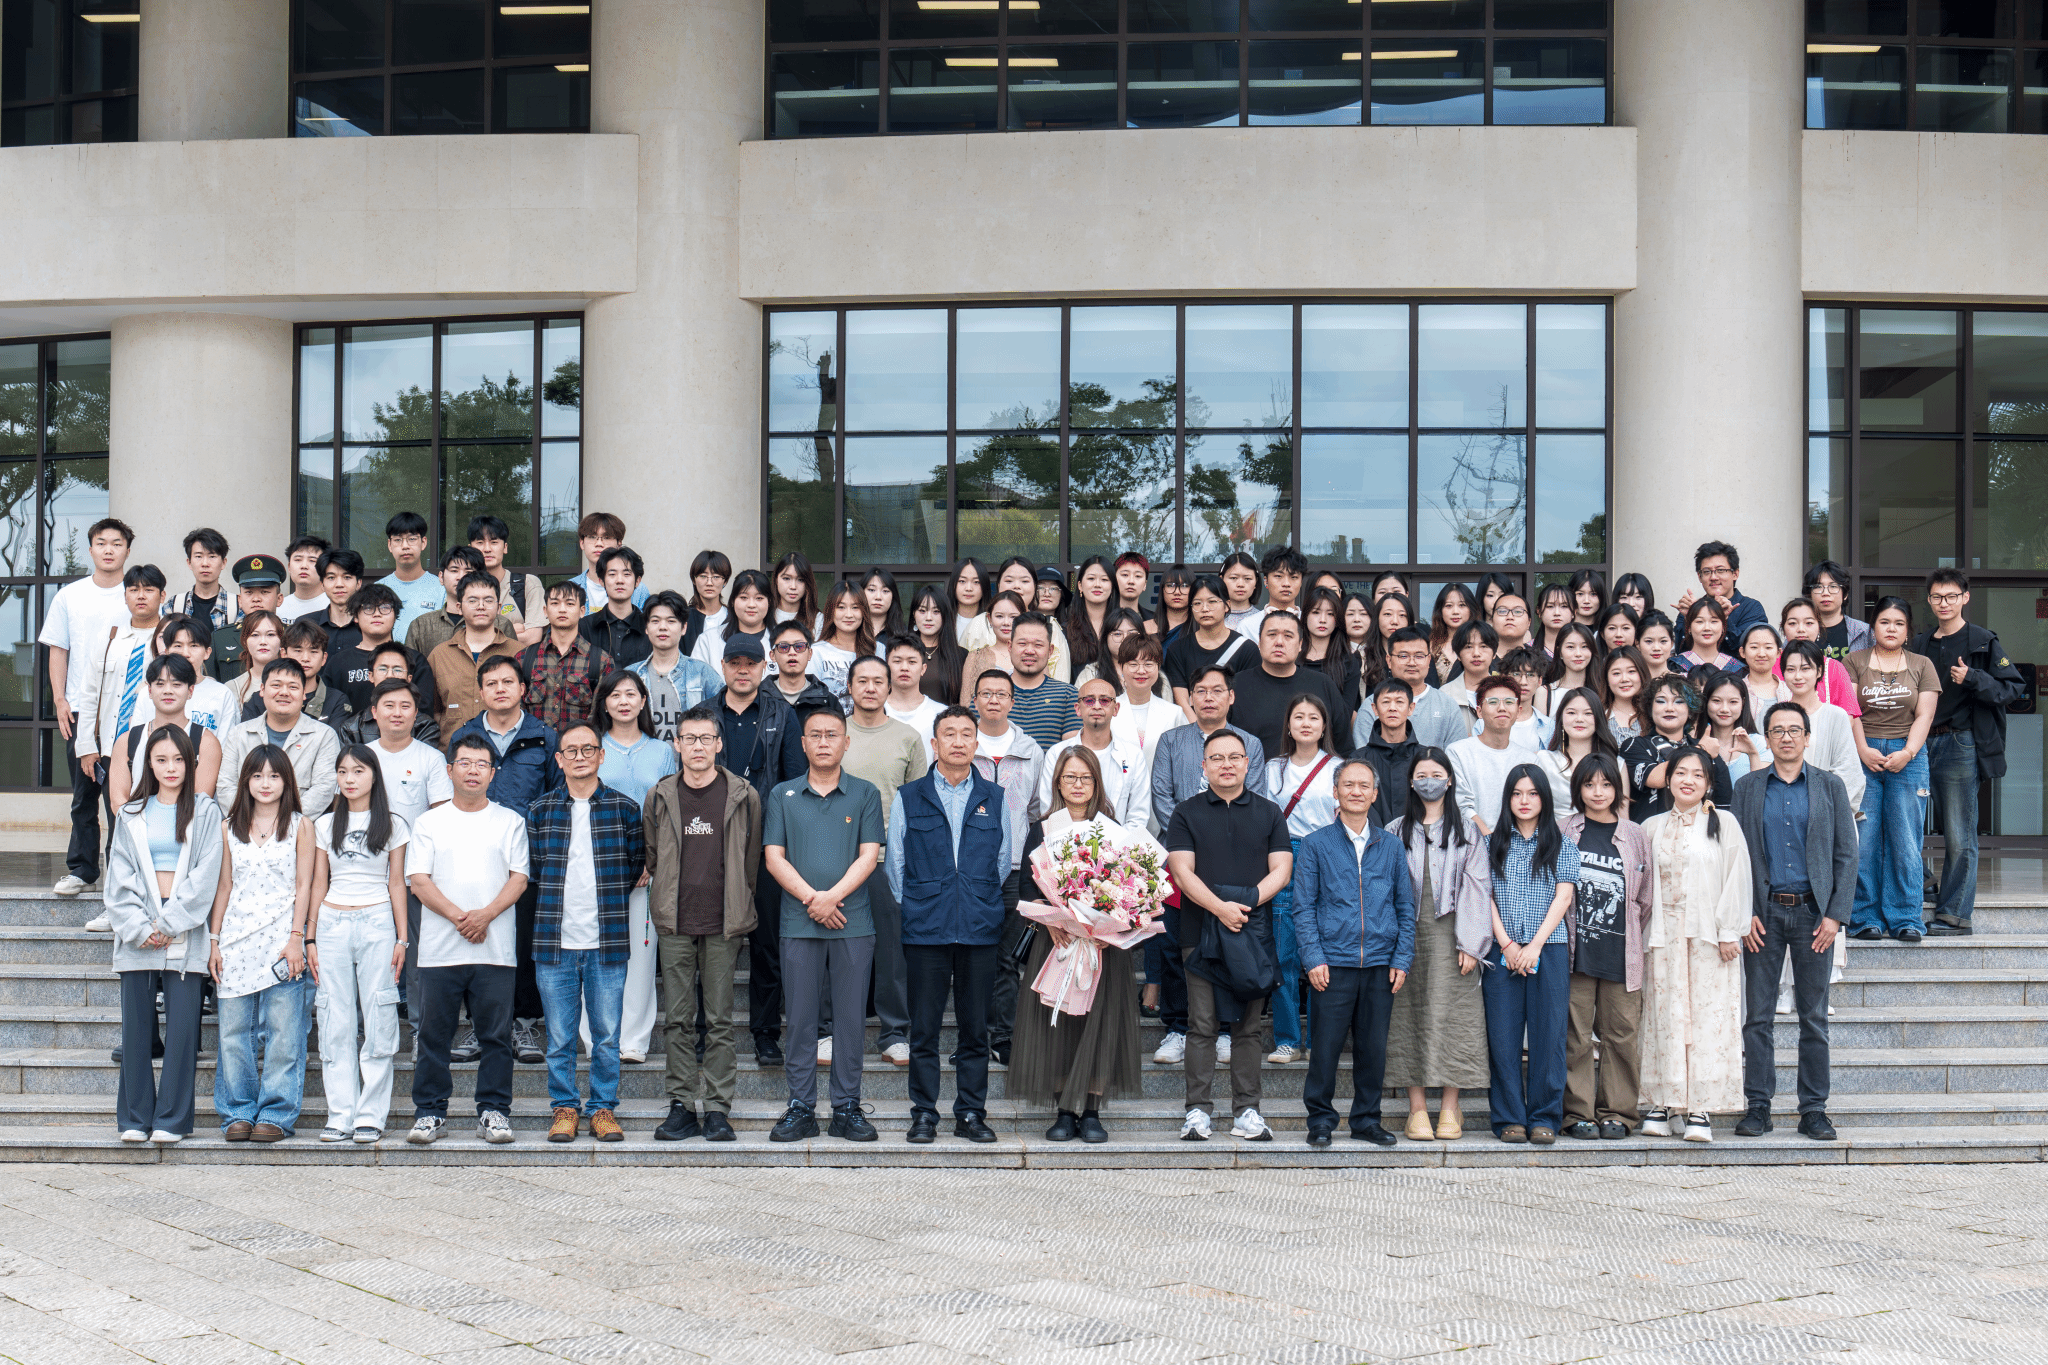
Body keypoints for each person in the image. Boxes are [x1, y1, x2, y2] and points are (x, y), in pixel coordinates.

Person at [867, 706, 1004, 1144]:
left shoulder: (996, 797)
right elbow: (896, 864)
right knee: (924, 1029)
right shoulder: (910, 796)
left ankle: (971, 1113)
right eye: (949, 734)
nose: (958, 741)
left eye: (966, 734)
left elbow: (1003, 861)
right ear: (935, 743)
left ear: (977, 743)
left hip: (979, 927)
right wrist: (924, 904)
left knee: (975, 1029)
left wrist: (975, 896)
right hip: (926, 928)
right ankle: (924, 1113)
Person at [1007, 744, 1150, 1143]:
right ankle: (1064, 1111)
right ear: (1057, 782)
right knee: (1059, 1026)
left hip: (1103, 948)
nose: (1078, 784)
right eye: (1070, 777)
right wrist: (1052, 921)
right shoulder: (1043, 827)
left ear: (1096, 783)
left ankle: (1091, 1111)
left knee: (1100, 1024)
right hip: (1058, 943)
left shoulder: (1112, 829)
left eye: (1086, 778)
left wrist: (1108, 927)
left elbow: (1129, 888)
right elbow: (1027, 889)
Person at [1731, 702, 1859, 1142]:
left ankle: (1814, 1110)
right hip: (1762, 914)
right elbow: (1736, 856)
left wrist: (1836, 915)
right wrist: (1744, 912)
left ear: (1807, 737)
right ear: (1766, 739)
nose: (1786, 737)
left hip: (1813, 915)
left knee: (1814, 1017)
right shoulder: (1748, 788)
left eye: (1794, 730)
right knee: (1758, 1016)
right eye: (1777, 731)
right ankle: (1758, 1106)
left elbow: (1847, 854)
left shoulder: (1830, 786)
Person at [764, 708, 885, 1142]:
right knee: (800, 1018)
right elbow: (773, 857)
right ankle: (801, 1106)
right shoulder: (782, 794)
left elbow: (869, 855)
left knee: (850, 1019)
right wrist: (813, 900)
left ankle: (846, 1106)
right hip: (799, 922)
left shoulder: (865, 793)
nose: (823, 742)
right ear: (802, 743)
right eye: (814, 735)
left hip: (853, 922)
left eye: (832, 735)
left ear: (846, 742)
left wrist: (831, 897)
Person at [404, 734, 531, 1145]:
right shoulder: (429, 822)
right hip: (439, 952)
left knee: (496, 1037)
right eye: (465, 763)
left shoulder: (509, 821)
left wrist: (485, 915)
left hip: (495, 950)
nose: (473, 770)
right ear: (449, 770)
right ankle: (430, 1113)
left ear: (493, 773)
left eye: (481, 764)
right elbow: (418, 880)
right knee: (433, 1037)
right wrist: (461, 918)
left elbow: (519, 878)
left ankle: (494, 1112)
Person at [1166, 728, 1291, 1142]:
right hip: (1199, 930)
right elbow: (1182, 872)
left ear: (1247, 763)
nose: (1226, 765)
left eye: (1234, 757)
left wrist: (1247, 902)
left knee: (1248, 1027)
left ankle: (1247, 1112)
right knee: (1201, 1023)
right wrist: (1220, 908)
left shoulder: (1269, 813)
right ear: (1203, 766)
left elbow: (1282, 870)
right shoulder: (1185, 812)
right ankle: (1197, 1111)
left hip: (1252, 931)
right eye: (1217, 758)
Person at [525, 719, 645, 1144]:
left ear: (601, 755)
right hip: (554, 941)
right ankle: (564, 1108)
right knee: (559, 1037)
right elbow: (535, 869)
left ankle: (602, 1109)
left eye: (588, 749)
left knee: (607, 1036)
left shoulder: (625, 809)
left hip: (606, 941)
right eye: (571, 751)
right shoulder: (540, 811)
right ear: (559, 759)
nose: (580, 757)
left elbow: (634, 867)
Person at [646, 704, 763, 1142]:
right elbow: (653, 853)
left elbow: (751, 859)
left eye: (706, 739)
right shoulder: (660, 795)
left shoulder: (743, 795)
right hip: (675, 920)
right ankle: (681, 1105)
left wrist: (739, 900)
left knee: (719, 1020)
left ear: (718, 744)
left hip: (722, 920)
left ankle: (716, 1108)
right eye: (689, 739)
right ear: (676, 745)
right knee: (677, 1019)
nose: (698, 746)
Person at [103, 726, 224, 1144]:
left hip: (184, 926)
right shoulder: (132, 813)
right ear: (149, 765)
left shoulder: (206, 811)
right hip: (138, 927)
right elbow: (119, 875)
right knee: (136, 1029)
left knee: (183, 1030)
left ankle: (171, 1120)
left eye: (178, 759)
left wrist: (170, 923)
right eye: (161, 760)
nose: (170, 767)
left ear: (191, 763)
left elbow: (206, 874)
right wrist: (140, 927)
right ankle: (134, 1119)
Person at [1147, 664, 1267, 1068]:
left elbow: (1256, 797)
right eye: (1201, 690)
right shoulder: (1171, 740)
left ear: (1231, 697)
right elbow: (1161, 796)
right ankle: (1178, 1027)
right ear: (1191, 698)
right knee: (1174, 945)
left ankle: (1227, 1030)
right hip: (1180, 857)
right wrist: (1192, 836)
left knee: (1232, 944)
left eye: (1217, 690)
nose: (1209, 697)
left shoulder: (1250, 743)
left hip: (1236, 859)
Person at [1292, 758, 1412, 1147]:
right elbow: (1303, 907)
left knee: (1372, 1049)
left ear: (1375, 794)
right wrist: (1313, 957)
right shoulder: (1315, 844)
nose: (1356, 791)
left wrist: (1401, 958)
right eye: (1348, 785)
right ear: (1335, 791)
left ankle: (1367, 1120)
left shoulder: (1391, 846)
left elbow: (1405, 907)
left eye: (1364, 786)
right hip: (1332, 963)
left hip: (1380, 963)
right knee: (1325, 1048)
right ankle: (1320, 1121)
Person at [447, 655, 563, 1060]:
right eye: (492, 683)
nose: (500, 689)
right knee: (477, 941)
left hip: (526, 859)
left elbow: (556, 798)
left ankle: (523, 1025)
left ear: (522, 690)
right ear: (481, 692)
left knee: (523, 941)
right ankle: (480, 1026)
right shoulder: (464, 736)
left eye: (508, 682)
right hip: (473, 856)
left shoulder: (544, 738)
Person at [1634, 747, 1752, 1144]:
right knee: (1664, 1015)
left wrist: (1729, 930)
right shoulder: (1650, 827)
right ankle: (1663, 1102)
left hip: (1708, 937)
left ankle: (1701, 1106)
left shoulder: (1724, 822)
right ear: (1668, 780)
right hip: (1662, 936)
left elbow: (1737, 875)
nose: (1688, 780)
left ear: (1709, 784)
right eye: (1681, 772)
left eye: (1698, 775)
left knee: (1706, 1016)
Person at [207, 745, 316, 1142]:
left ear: (286, 781)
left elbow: (304, 885)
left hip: (282, 943)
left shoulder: (301, 825)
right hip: (236, 941)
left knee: (284, 1034)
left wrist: (297, 938)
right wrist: (214, 940)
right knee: (234, 1033)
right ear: (245, 781)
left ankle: (276, 1113)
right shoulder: (228, 827)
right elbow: (224, 886)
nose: (265, 783)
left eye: (273, 776)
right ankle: (237, 1112)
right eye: (257, 776)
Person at [1386, 750, 1492, 1142]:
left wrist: (1472, 943)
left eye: (1436, 774)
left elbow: (1479, 886)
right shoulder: (1395, 829)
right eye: (1421, 774)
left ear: (1449, 780)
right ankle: (1416, 1110)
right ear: (1411, 781)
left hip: (1455, 933)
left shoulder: (1467, 830)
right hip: (1406, 935)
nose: (1428, 780)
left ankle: (1450, 1108)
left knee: (1457, 1017)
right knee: (1407, 1015)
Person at [1913, 569, 2026, 937]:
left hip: (1959, 743)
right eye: (1937, 597)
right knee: (1902, 824)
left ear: (1965, 597)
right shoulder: (1920, 644)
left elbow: (2012, 689)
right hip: (1917, 743)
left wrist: (1974, 678)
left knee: (1960, 835)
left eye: (1951, 596)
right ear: (1929, 600)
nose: (1943, 603)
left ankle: (1954, 915)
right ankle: (1921, 885)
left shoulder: (1982, 642)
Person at [309, 746, 410, 1144]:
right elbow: (319, 881)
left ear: (374, 776)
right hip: (332, 922)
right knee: (334, 1020)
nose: (349, 779)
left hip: (377, 922)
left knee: (379, 1016)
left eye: (358, 771)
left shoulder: (394, 824)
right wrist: (309, 936)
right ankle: (340, 1114)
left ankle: (371, 1115)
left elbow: (397, 882)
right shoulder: (325, 824)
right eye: (342, 771)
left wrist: (402, 937)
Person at [713, 634, 805, 1068]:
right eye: (734, 662)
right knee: (713, 943)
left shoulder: (781, 713)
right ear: (724, 666)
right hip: (713, 844)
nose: (742, 670)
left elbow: (794, 781)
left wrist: (782, 841)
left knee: (767, 943)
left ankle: (766, 1033)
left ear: (764, 666)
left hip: (767, 844)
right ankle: (707, 1031)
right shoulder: (705, 715)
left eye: (750, 663)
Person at [1482, 765, 1580, 1145]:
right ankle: (1509, 1117)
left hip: (1548, 949)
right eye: (1517, 793)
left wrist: (1535, 945)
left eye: (1533, 793)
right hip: (1501, 951)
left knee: (1548, 1036)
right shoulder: (1489, 844)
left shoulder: (1562, 844)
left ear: (1544, 798)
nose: (1524, 801)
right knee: (1503, 1038)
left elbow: (1564, 897)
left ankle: (1544, 1117)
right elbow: (1484, 897)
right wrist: (1507, 944)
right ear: (1507, 798)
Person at [1559, 754, 1652, 1141]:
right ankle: (1577, 1113)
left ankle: (1618, 1112)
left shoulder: (1635, 835)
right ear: (1578, 789)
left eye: (1606, 784)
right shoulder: (1564, 830)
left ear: (1617, 788)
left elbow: (1644, 899)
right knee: (1575, 1036)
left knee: (1622, 1034)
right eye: (1589, 784)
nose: (1598, 792)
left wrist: (1626, 933)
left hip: (1621, 953)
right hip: (1574, 953)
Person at [843, 655, 928, 1070]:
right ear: (849, 687)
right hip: (838, 858)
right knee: (838, 948)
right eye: (862, 681)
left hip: (889, 859)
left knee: (893, 953)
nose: (871, 688)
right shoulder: (834, 733)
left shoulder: (908, 738)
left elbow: (918, 804)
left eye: (879, 681)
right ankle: (833, 1029)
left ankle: (894, 1034)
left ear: (889, 687)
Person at [44, 516, 134, 898]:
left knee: (121, 796)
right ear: (91, 547)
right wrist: (60, 699)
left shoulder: (136, 594)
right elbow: (58, 649)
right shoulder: (70, 596)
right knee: (84, 796)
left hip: (126, 712)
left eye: (117, 543)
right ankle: (82, 870)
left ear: (127, 550)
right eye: (102, 543)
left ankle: (120, 874)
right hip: (81, 711)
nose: (109, 550)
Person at [593, 670, 677, 1064]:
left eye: (631, 694)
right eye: (615, 695)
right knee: (597, 955)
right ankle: (597, 1038)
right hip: (596, 864)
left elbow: (669, 811)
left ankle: (634, 1041)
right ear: (604, 703)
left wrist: (650, 857)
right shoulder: (593, 746)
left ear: (644, 701)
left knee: (641, 958)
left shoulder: (661, 751)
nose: (623, 701)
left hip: (648, 868)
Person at [1846, 597, 1941, 942]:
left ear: (1908, 630)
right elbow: (1850, 711)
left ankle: (1906, 918)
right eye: (1884, 622)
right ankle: (1864, 917)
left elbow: (1925, 715)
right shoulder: (1853, 661)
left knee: (1905, 839)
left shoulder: (1922, 664)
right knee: (1865, 838)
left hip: (1909, 755)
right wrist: (1862, 749)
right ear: (1873, 627)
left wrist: (1908, 752)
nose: (1891, 628)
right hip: (1863, 752)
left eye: (1899, 623)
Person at [968, 669, 1046, 1068]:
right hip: (971, 869)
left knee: (1007, 958)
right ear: (975, 700)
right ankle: (972, 1037)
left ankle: (1004, 1036)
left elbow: (1037, 809)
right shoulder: (963, 744)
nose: (994, 700)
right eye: (986, 693)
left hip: (1016, 869)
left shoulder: (1031, 750)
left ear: (1013, 702)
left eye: (1001, 694)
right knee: (971, 955)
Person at [1263, 693, 1342, 1068]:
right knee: (1284, 952)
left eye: (1313, 717)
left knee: (1324, 951)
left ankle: (1319, 1040)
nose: (1306, 723)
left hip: (1328, 855)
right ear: (1289, 725)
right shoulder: (1273, 768)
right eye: (1299, 716)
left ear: (1324, 726)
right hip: (1284, 855)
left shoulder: (1338, 767)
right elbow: (1265, 818)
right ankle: (1287, 1039)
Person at [72, 566, 168, 839]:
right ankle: (91, 865)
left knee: (144, 819)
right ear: (125, 596)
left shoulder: (171, 640)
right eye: (134, 590)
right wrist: (87, 745)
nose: (141, 596)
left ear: (162, 596)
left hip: (152, 746)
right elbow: (89, 694)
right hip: (108, 745)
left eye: (148, 590)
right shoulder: (108, 638)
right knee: (94, 813)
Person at [216, 659, 340, 818]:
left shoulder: (324, 736)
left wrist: (282, 822)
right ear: (262, 689)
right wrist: (255, 822)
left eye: (293, 687)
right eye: (276, 685)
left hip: (301, 829)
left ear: (303, 693)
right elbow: (226, 787)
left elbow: (323, 789)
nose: (284, 692)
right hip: (246, 827)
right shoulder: (238, 734)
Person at [104, 655, 225, 816]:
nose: (168, 691)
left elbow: (200, 801)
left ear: (190, 691)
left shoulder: (206, 742)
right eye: (160, 684)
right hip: (134, 826)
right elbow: (118, 801)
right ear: (149, 690)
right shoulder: (127, 741)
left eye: (176, 684)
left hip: (186, 826)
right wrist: (139, 827)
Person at [1227, 612, 1348, 758]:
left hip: (1315, 772)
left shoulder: (1323, 685)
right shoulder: (1235, 685)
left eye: (1288, 636)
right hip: (1249, 772)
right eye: (1272, 634)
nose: (1279, 642)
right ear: (1259, 641)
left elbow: (1344, 747)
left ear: (1300, 645)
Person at [1036, 677, 1145, 829]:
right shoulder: (1057, 753)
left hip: (1119, 842)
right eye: (1089, 700)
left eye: (1105, 700)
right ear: (1077, 709)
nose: (1097, 706)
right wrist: (1075, 843)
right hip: (1065, 841)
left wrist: (1110, 844)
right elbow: (1050, 810)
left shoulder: (1133, 756)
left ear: (1116, 709)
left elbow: (1138, 818)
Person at [426, 573, 524, 734]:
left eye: (488, 600)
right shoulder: (439, 655)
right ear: (459, 607)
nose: (481, 606)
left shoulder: (519, 652)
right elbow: (433, 711)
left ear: (499, 607)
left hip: (506, 747)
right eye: (472, 601)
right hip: (453, 748)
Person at [1107, 633, 1186, 828]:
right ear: (1121, 667)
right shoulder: (1108, 711)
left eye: (1149, 664)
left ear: (1158, 667)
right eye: (1133, 664)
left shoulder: (1174, 713)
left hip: (1162, 804)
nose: (1141, 671)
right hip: (1116, 805)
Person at [517, 578, 614, 735]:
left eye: (569, 604)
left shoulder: (601, 661)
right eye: (555, 603)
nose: (562, 609)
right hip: (534, 746)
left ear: (582, 611)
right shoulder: (524, 658)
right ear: (545, 611)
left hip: (580, 747)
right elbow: (517, 712)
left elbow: (601, 716)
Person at [325, 584, 436, 719]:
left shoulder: (415, 660)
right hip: (350, 732)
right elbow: (330, 709)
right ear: (355, 617)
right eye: (368, 608)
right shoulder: (338, 662)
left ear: (395, 615)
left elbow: (423, 710)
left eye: (385, 607)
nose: (377, 614)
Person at [629, 589, 724, 740]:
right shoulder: (631, 676)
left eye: (671, 621)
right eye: (655, 621)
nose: (662, 627)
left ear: (684, 628)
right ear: (646, 628)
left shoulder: (702, 673)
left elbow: (723, 719)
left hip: (691, 755)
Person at [1449, 677, 1532, 834]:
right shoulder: (1458, 752)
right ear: (1479, 711)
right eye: (1493, 702)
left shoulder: (1529, 760)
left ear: (1518, 711)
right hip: (1470, 842)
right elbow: (1461, 804)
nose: (1502, 708)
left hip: (1516, 842)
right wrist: (1489, 839)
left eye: (1509, 702)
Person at [1164, 575, 1253, 718]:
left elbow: (1246, 700)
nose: (1204, 609)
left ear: (1227, 605)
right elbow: (1182, 701)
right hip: (1192, 726)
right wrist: (1197, 729)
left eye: (1212, 602)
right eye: (1197, 603)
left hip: (1232, 728)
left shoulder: (1247, 649)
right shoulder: (1177, 649)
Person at [405, 546, 514, 658]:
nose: (461, 577)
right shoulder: (421, 625)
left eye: (468, 571)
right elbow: (410, 666)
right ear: (441, 577)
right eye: (454, 570)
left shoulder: (501, 624)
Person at [167, 528, 240, 683]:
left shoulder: (238, 605)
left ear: (223, 562)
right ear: (189, 562)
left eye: (212, 556)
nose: (205, 563)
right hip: (180, 684)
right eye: (198, 556)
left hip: (225, 685)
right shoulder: (174, 605)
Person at [1672, 539, 1767, 652]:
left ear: (1735, 574)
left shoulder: (1752, 608)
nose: (1713, 577)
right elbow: (1680, 652)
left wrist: (1725, 620)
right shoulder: (1691, 607)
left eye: (1720, 570)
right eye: (1707, 571)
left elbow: (1748, 651)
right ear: (1699, 577)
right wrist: (1691, 617)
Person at [1541, 686, 1624, 814]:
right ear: (1561, 718)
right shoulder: (1543, 760)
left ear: (1598, 718)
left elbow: (1622, 816)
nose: (1579, 719)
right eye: (1571, 713)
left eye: (1588, 713)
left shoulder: (1617, 764)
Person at [467, 514, 546, 645]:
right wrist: (509, 630)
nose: (487, 549)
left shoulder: (528, 584)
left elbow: (532, 638)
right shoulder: (462, 587)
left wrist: (481, 636)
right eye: (480, 543)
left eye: (494, 542)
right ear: (470, 548)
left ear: (505, 547)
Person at [1005, 613, 1080, 750]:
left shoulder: (1068, 695)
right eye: (1022, 644)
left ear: (1050, 651)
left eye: (1038, 645)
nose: (1029, 651)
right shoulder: (990, 693)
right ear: (1009, 647)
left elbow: (1072, 753)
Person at [1777, 597, 1863, 714]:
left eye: (1809, 623)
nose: (1801, 629)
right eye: (1792, 623)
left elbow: (1849, 716)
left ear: (1819, 627)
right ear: (1783, 628)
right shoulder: (1770, 666)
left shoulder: (1834, 668)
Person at [1357, 678, 1421, 828]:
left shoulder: (1424, 758)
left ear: (1411, 708)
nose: (1392, 708)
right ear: (1375, 708)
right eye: (1386, 702)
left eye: (1399, 702)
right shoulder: (1359, 760)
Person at [579, 545, 652, 669]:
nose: (619, 580)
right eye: (612, 574)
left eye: (626, 574)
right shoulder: (584, 627)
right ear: (602, 581)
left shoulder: (650, 627)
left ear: (637, 581)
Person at [568, 512, 652, 617]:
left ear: (619, 544)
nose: (599, 544)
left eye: (607, 537)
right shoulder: (569, 588)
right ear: (582, 543)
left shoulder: (639, 590)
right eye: (592, 537)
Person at [376, 512, 446, 639]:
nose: (405, 546)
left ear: (423, 542)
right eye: (398, 540)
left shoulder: (441, 588)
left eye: (412, 539)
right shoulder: (378, 589)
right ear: (389, 545)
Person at [693, 567, 773, 668]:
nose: (751, 605)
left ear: (769, 602)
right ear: (732, 601)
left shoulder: (781, 642)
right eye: (744, 597)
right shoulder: (708, 640)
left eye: (759, 598)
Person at [812, 580, 874, 709]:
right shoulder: (816, 652)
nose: (849, 615)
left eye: (855, 607)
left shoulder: (878, 649)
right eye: (841, 607)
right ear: (831, 611)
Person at [763, 617, 840, 722]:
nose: (792, 652)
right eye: (783, 647)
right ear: (772, 655)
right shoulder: (758, 698)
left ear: (810, 654)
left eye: (799, 646)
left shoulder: (828, 701)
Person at [1301, 588, 1362, 716]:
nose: (1323, 620)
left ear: (1337, 620)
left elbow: (1345, 715)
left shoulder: (1349, 662)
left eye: (1330, 614)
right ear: (1305, 616)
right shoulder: (1292, 658)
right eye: (1316, 612)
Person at [906, 584, 966, 705]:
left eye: (936, 611)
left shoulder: (961, 655)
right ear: (913, 614)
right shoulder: (902, 653)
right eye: (922, 611)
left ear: (945, 615)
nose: (928, 618)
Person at [1439, 621, 1498, 736]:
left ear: (1494, 653)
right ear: (1458, 655)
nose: (1476, 653)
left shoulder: (1505, 693)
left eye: (1483, 646)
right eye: (1468, 647)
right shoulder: (1444, 695)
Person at [1803, 560, 1871, 658]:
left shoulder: (1864, 632)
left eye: (1833, 586)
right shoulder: (1799, 631)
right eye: (1818, 587)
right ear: (1809, 594)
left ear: (1845, 594)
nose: (1825, 593)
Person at [883, 634, 946, 738]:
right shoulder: (874, 711)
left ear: (923, 669)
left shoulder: (941, 714)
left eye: (912, 662)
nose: (904, 668)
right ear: (886, 667)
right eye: (897, 661)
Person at [1426, 583, 1480, 685]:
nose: (1455, 611)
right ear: (1440, 611)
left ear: (1471, 609)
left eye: (1462, 605)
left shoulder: (1482, 645)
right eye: (1449, 606)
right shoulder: (1431, 647)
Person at [682, 547, 733, 652]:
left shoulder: (733, 618)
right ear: (694, 580)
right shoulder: (683, 617)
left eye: (716, 577)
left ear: (725, 581)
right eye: (703, 576)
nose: (709, 583)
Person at [277, 535, 333, 624]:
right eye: (298, 560)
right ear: (289, 567)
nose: (304, 566)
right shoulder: (278, 608)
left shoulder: (333, 607)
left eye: (312, 561)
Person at [1676, 597, 1739, 674]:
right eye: (1699, 621)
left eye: (1714, 621)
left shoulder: (1736, 668)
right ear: (1689, 628)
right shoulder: (1675, 665)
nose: (1707, 628)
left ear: (1723, 627)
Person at [1601, 644, 1650, 740]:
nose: (1624, 679)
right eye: (1616, 673)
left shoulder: (1654, 713)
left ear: (1642, 673)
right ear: (1606, 678)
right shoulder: (1598, 715)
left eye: (1631, 671)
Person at [773, 551, 821, 633]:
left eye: (800, 580)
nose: (793, 587)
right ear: (776, 580)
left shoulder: (818, 619)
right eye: (786, 578)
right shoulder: (764, 615)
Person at [949, 556, 991, 643]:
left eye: (976, 582)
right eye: (962, 581)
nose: (968, 588)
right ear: (953, 584)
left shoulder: (993, 622)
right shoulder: (942, 619)